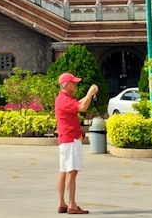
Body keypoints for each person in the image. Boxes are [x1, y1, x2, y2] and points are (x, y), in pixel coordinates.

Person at [54, 71, 98, 215]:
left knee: (64, 171)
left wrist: (87, 95)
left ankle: (62, 203)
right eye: (73, 82)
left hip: (65, 140)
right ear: (66, 85)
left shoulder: (63, 98)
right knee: (72, 172)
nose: (75, 84)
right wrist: (90, 93)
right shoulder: (65, 100)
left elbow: (79, 103)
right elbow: (82, 107)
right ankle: (72, 204)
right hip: (71, 139)